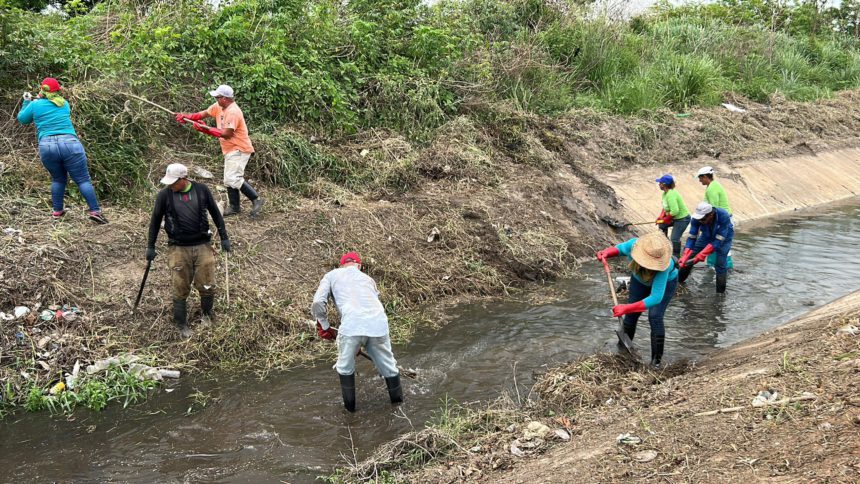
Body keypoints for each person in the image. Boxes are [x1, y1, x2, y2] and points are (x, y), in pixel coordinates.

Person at [146, 164, 231, 338]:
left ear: (183, 179)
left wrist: (224, 237)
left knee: (207, 284)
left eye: (173, 182)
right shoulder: (165, 195)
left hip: (203, 246)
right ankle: (181, 323)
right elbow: (155, 220)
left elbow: (216, 214)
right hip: (178, 248)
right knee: (180, 286)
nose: (170, 185)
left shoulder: (201, 190)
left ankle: (207, 315)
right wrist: (150, 246)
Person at [312, 252, 403, 412]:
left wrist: (324, 326)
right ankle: (399, 409)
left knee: (345, 368)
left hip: (352, 325)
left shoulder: (331, 275)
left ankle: (350, 415)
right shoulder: (368, 280)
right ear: (359, 266)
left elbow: (318, 302)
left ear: (341, 265)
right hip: (379, 324)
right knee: (389, 368)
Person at [16, 77, 108, 224]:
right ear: (58, 90)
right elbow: (53, 104)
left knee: (58, 179)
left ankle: (57, 212)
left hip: (47, 146)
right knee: (83, 179)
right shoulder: (65, 104)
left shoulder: (35, 105)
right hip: (70, 143)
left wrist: (27, 101)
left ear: (42, 90)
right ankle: (95, 211)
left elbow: (22, 119)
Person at [174, 85, 264, 218]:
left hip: (239, 148)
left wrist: (205, 129)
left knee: (233, 178)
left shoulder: (233, 112)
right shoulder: (218, 106)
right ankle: (235, 207)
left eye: (218, 97)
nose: (216, 99)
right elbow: (202, 114)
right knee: (228, 180)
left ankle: (256, 199)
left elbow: (227, 134)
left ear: (226, 98)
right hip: (229, 149)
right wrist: (186, 116)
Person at [596, 231, 678, 368]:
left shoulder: (665, 266)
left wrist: (626, 307)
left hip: (667, 283)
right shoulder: (634, 245)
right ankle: (623, 353)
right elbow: (619, 249)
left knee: (655, 316)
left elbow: (656, 298)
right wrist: (606, 253)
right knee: (631, 316)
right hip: (639, 281)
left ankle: (656, 362)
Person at [678, 202, 734, 293]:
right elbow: (692, 237)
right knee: (689, 257)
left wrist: (702, 254)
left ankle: (720, 294)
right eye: (699, 219)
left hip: (724, 238)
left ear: (711, 214)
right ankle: (679, 282)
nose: (700, 221)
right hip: (706, 236)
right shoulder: (696, 219)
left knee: (720, 263)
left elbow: (718, 240)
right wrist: (685, 254)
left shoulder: (723, 215)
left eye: (703, 219)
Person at [655, 174, 690, 258]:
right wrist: (661, 217)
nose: (658, 184)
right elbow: (665, 207)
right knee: (662, 225)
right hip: (674, 218)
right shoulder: (665, 194)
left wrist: (666, 219)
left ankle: (676, 256)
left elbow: (675, 211)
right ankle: (665, 245)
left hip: (682, 219)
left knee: (674, 238)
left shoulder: (671, 194)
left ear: (664, 184)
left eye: (660, 183)